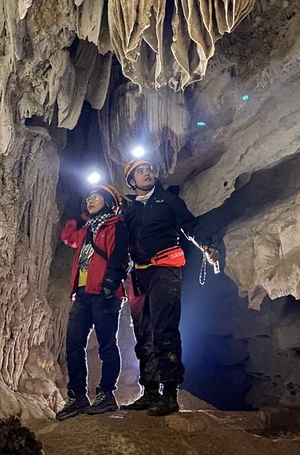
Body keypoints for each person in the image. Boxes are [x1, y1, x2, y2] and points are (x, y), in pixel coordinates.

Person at [122, 159, 219, 416]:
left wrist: (206, 246)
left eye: (148, 170)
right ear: (131, 182)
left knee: (164, 328)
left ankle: (170, 394)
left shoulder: (168, 202)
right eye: (140, 172)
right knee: (143, 334)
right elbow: (119, 240)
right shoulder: (129, 210)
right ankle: (150, 391)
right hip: (139, 274)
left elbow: (190, 226)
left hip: (164, 268)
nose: (147, 173)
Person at [55, 184, 129, 421]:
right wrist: (79, 217)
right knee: (74, 342)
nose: (90, 200)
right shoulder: (86, 230)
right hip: (83, 292)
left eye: (96, 197)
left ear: (107, 202)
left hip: (105, 292)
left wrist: (111, 280)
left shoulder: (115, 225)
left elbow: (119, 254)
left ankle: (106, 393)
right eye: (88, 197)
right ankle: (77, 396)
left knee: (107, 344)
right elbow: (67, 237)